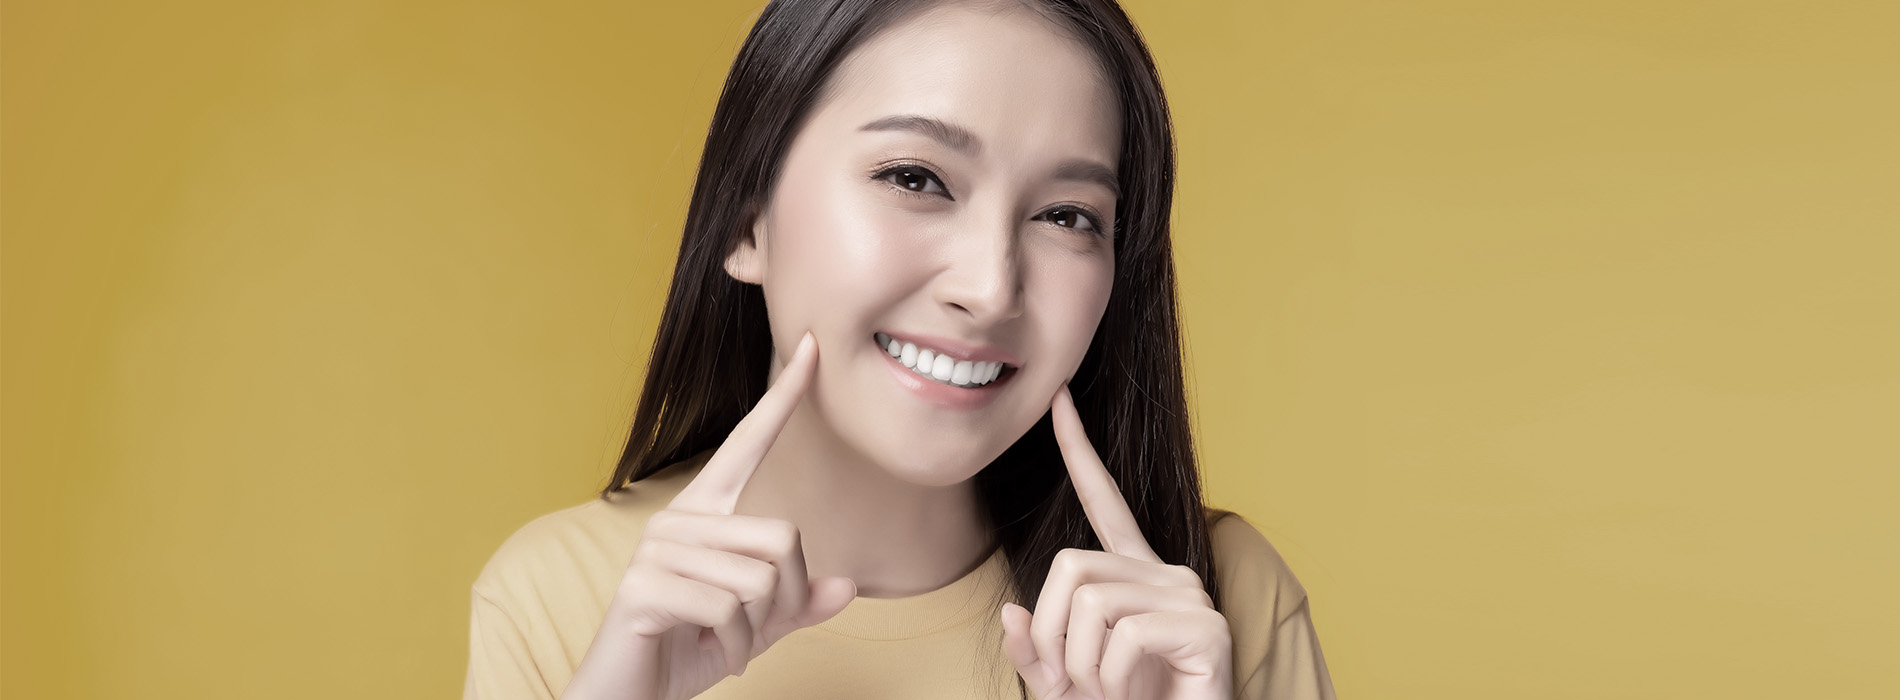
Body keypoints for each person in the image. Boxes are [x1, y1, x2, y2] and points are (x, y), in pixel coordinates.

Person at [464, 0, 1337, 698]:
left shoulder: (1218, 611)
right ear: (745, 217)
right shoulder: (564, 599)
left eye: (1067, 215)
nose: (990, 287)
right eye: (914, 178)